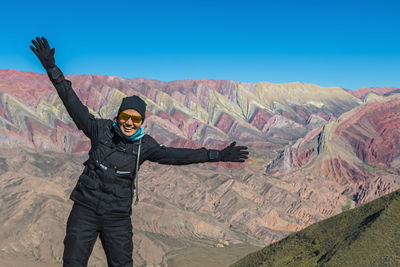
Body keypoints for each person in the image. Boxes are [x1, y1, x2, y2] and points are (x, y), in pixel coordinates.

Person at [30, 36, 249, 267]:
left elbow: (177, 156)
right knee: (73, 263)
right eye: (125, 117)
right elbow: (72, 102)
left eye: (135, 119)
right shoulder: (99, 130)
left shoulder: (145, 146)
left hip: (117, 218)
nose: (129, 123)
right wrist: (53, 69)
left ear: (141, 122)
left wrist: (216, 155)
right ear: (118, 117)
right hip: (84, 211)